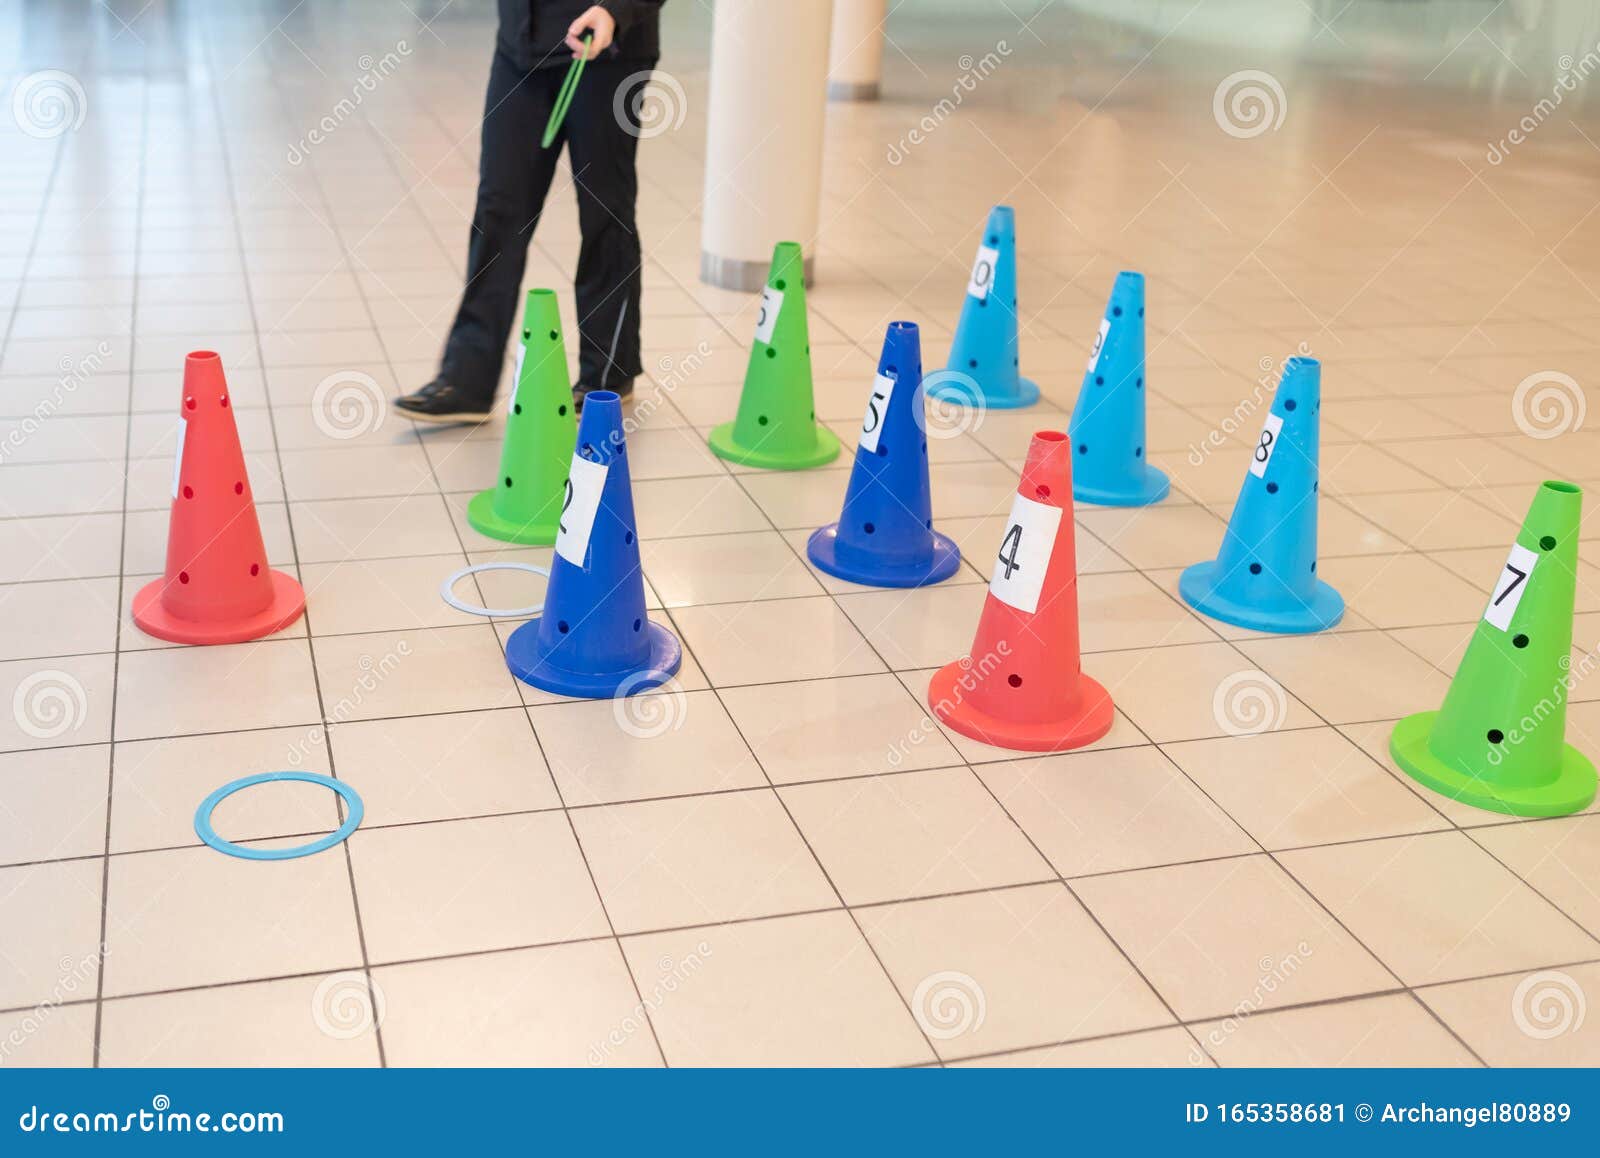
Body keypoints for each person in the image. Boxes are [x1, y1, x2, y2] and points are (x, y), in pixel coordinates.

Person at [396, 1, 664, 423]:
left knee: (604, 213)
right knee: (498, 208)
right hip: (521, 47)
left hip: (608, 52)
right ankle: (467, 380)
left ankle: (609, 372)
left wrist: (615, 10)